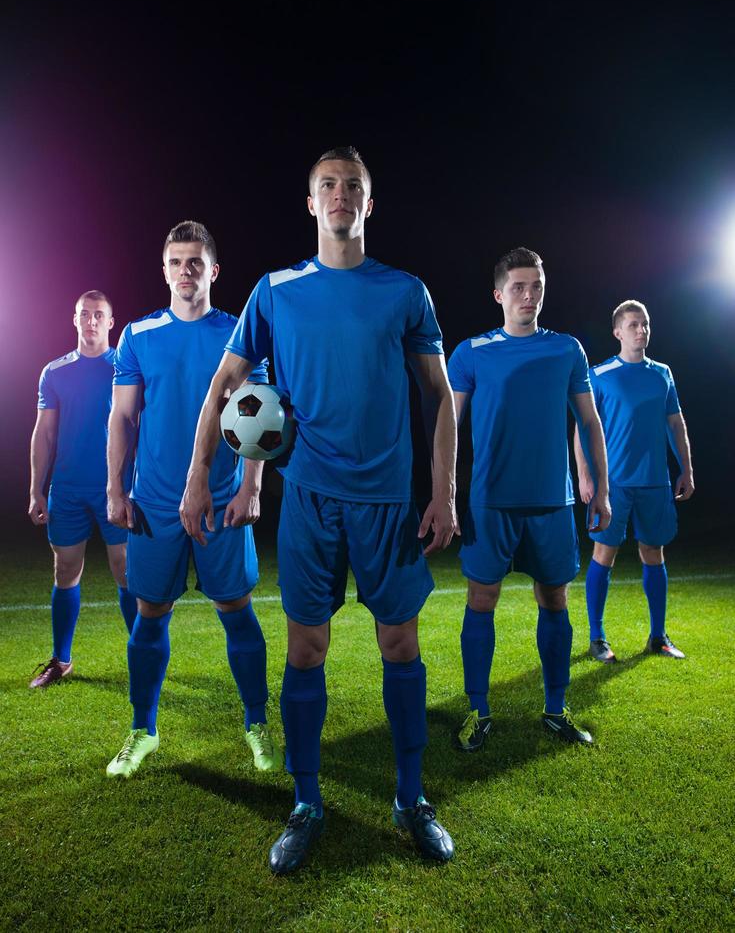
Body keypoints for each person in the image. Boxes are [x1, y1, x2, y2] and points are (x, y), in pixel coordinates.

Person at [180, 147, 458, 874]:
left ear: (370, 203)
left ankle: (409, 796)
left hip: (388, 501)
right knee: (307, 650)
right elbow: (222, 390)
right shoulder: (275, 292)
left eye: (354, 187)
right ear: (310, 204)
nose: (341, 195)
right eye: (328, 185)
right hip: (306, 498)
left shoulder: (405, 291)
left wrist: (444, 492)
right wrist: (195, 481)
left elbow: (441, 398)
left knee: (401, 647)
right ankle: (306, 805)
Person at [105, 221, 281, 779]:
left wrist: (252, 486)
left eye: (195, 263)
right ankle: (143, 729)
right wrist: (114, 487)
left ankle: (256, 723)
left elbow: (261, 412)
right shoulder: (137, 335)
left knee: (235, 608)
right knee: (151, 612)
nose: (186, 271)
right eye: (177, 262)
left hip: (223, 498)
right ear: (164, 270)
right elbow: (123, 418)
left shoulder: (238, 335)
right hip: (154, 503)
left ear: (213, 271)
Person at [448, 247, 611, 752]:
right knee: (482, 600)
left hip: (552, 501)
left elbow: (589, 422)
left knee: (555, 599)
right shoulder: (472, 351)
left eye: (536, 286)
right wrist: (443, 491)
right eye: (518, 286)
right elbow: (448, 428)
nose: (528, 295)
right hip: (490, 501)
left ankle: (556, 708)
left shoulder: (567, 349)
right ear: (498, 294)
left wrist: (600, 488)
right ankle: (478, 710)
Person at [574, 299, 694, 662]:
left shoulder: (662, 373)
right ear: (617, 332)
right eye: (633, 325)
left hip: (655, 482)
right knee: (603, 553)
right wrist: (584, 476)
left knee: (653, 553)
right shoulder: (600, 374)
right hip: (612, 485)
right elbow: (581, 429)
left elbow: (675, 423)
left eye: (645, 324)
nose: (641, 330)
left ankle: (658, 637)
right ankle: (598, 639)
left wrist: (686, 468)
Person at [28, 291, 137, 688]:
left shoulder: (125, 366)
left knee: (125, 570)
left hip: (116, 487)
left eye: (99, 315)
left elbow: (137, 427)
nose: (91, 321)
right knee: (65, 569)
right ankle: (62, 660)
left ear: (111, 322)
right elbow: (45, 432)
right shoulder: (54, 372)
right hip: (68, 488)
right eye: (84, 314)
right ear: (74, 319)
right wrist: (36, 489)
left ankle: (142, 652)